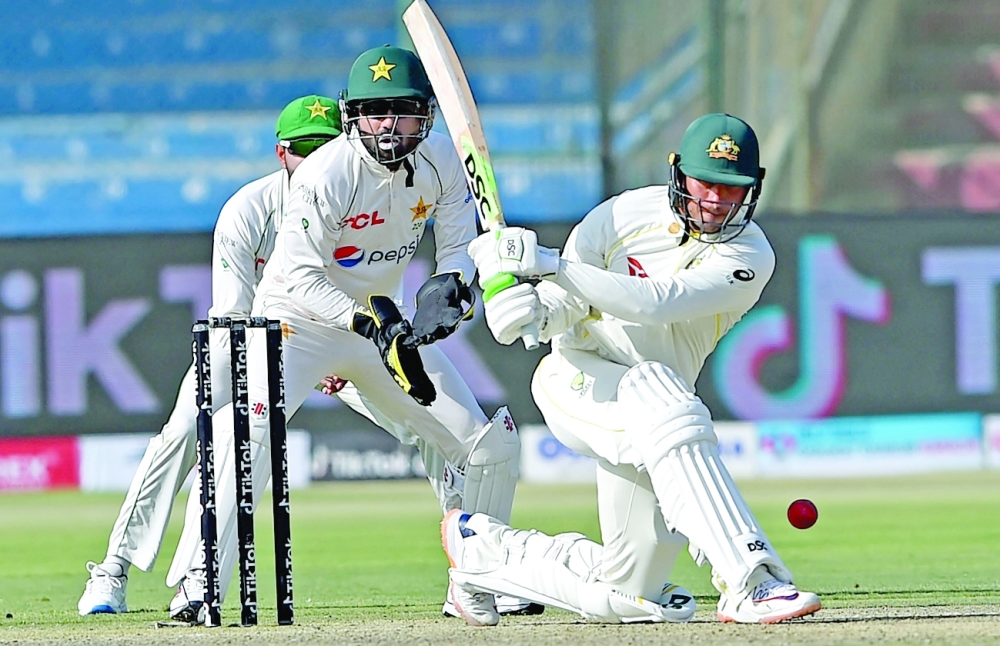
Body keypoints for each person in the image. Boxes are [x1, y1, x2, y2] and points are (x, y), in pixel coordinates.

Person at [163, 45, 525, 626]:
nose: (388, 125)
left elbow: (458, 246)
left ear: (424, 115)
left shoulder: (442, 166)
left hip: (379, 328)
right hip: (293, 325)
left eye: (402, 111)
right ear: (351, 114)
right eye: (374, 111)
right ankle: (198, 586)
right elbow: (300, 277)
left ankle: (480, 577)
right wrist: (369, 323)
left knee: (489, 445)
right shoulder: (326, 174)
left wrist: (450, 285)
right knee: (243, 439)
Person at [444, 113, 823, 625]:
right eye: (706, 183)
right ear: (679, 173)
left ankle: (482, 550)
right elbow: (563, 306)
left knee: (627, 593)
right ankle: (752, 580)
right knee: (661, 392)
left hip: (658, 415)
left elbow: (654, 302)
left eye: (731, 190)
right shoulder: (620, 217)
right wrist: (524, 308)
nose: (715, 200)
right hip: (577, 379)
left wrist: (550, 264)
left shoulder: (750, 254)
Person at [76, 94, 345, 616]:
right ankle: (114, 569)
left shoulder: (362, 209)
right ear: (280, 153)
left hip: (338, 338)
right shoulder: (248, 210)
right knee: (184, 433)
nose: (315, 163)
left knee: (423, 417)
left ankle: (474, 560)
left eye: (328, 148)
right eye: (304, 150)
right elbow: (234, 312)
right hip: (248, 339)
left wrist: (337, 357)